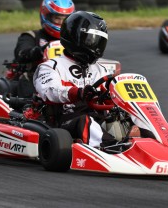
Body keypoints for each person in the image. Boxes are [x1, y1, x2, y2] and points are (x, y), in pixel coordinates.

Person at [33, 11, 117, 148]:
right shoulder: (51, 66)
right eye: (91, 40)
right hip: (64, 121)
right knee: (84, 121)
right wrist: (77, 93)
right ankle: (111, 147)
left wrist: (112, 96)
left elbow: (110, 94)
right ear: (75, 37)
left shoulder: (100, 69)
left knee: (124, 116)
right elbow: (49, 91)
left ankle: (154, 144)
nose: (95, 46)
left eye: (99, 41)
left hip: (96, 117)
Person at [13, 0, 75, 98]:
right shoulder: (31, 36)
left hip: (69, 76)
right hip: (38, 77)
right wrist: (38, 51)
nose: (61, 23)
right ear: (46, 16)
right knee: (26, 78)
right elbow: (21, 54)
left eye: (65, 19)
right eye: (57, 18)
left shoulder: (74, 39)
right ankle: (29, 107)